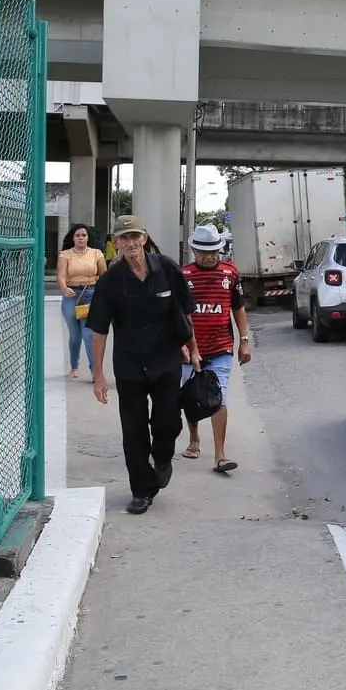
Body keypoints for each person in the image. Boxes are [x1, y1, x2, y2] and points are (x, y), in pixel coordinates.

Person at [86, 215, 202, 515]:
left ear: (144, 237)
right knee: (133, 430)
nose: (130, 243)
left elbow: (185, 313)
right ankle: (141, 490)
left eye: (134, 236)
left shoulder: (166, 268)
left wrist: (194, 349)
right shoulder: (110, 280)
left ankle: (162, 458)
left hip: (166, 361)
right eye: (123, 238)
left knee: (168, 423)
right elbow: (99, 329)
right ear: (115, 243)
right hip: (129, 366)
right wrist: (98, 375)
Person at [180, 224, 251, 473]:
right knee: (192, 397)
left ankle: (220, 455)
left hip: (221, 347)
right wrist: (183, 345)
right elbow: (177, 314)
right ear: (193, 250)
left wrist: (244, 340)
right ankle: (194, 439)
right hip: (189, 349)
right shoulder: (183, 275)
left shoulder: (230, 274)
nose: (209, 256)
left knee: (218, 397)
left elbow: (238, 307)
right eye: (203, 251)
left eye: (214, 251)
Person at [57, 223, 106, 380]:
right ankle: (74, 366)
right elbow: (61, 275)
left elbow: (104, 275)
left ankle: (94, 371)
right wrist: (64, 288)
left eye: (84, 235)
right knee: (75, 336)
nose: (81, 238)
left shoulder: (96, 253)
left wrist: (98, 288)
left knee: (89, 334)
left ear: (88, 238)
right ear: (73, 238)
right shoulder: (65, 255)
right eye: (77, 235)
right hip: (71, 296)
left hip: (90, 294)